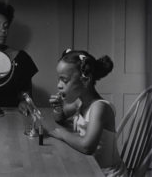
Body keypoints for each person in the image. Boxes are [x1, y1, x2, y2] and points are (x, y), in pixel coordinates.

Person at [49, 49, 128, 177]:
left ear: (86, 80)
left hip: (106, 173)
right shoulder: (79, 102)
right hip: (90, 165)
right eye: (59, 79)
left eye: (64, 80)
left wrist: (63, 135)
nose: (59, 85)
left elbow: (87, 146)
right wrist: (58, 108)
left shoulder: (99, 107)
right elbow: (60, 117)